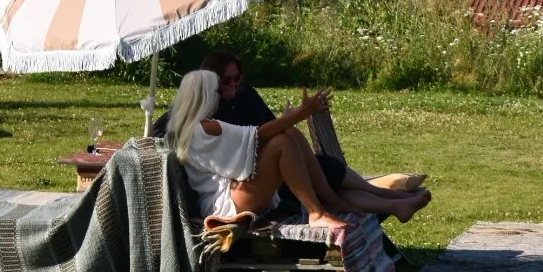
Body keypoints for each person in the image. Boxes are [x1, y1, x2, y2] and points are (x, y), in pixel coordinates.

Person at [165, 69, 431, 229]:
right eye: (214, 91)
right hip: (226, 205)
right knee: (282, 141)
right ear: (202, 97)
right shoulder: (204, 128)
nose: (218, 96)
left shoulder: (190, 129)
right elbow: (259, 134)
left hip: (229, 195)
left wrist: (292, 120)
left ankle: (335, 203)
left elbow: (252, 142)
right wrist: (303, 113)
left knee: (287, 134)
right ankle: (317, 211)